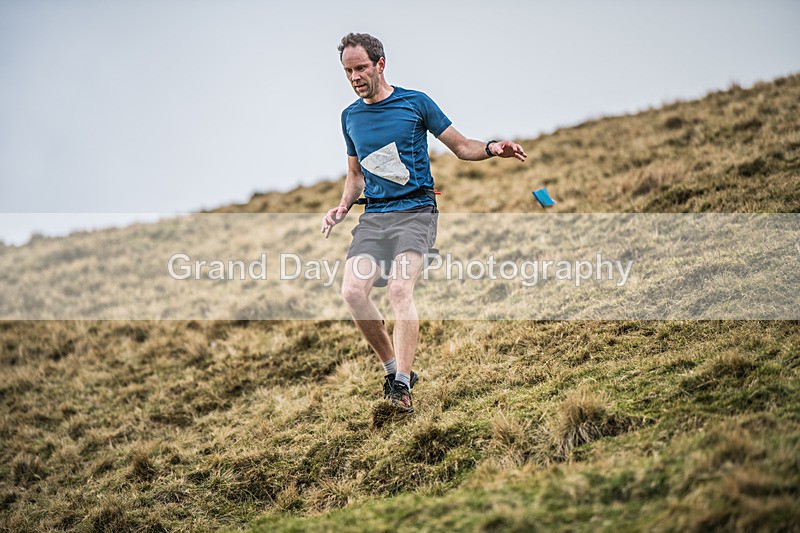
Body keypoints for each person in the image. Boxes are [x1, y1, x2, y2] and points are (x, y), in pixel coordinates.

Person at [321, 32, 526, 416]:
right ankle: (393, 370)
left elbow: (463, 146)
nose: (354, 77)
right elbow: (355, 174)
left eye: (361, 68)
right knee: (352, 292)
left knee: (399, 289)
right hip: (375, 217)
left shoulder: (416, 103)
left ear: (381, 64)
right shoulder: (349, 117)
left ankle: (401, 385)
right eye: (348, 71)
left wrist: (494, 147)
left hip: (415, 212)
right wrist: (342, 206)